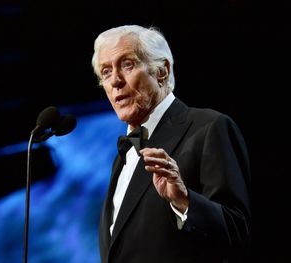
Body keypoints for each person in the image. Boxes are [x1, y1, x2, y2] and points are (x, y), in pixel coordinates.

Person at [91, 24, 251, 263]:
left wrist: (185, 201)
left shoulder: (208, 128)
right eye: (105, 71)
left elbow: (237, 230)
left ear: (162, 70)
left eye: (127, 64)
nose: (115, 81)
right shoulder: (122, 158)